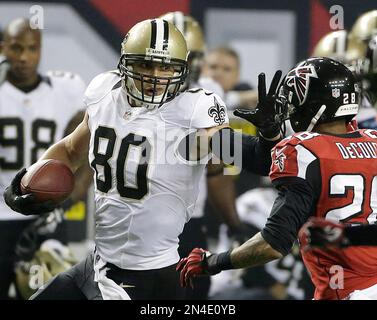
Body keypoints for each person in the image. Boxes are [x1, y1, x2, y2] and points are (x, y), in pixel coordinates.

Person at [3, 18, 282, 300]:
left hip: (146, 274)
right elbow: (71, 149)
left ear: (181, 70)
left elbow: (241, 153)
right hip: (98, 263)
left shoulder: (192, 112)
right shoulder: (106, 93)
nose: (155, 76)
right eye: (145, 65)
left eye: (166, 67)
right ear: (125, 63)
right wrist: (30, 178)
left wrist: (268, 138)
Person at [177, 57, 377, 300]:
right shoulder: (373, 140)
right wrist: (268, 135)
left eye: (294, 100)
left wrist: (214, 262)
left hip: (349, 292)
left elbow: (273, 243)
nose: (290, 108)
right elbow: (263, 158)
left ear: (312, 104)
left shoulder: (304, 151)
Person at [0, 18, 91, 299]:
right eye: (17, 48)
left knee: (45, 291)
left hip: (48, 213)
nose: (25, 57)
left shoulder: (67, 89)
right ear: (4, 48)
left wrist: (64, 203)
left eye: (32, 48)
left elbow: (86, 150)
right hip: (2, 214)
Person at [160, 11, 245, 299]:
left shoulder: (209, 93)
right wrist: (235, 224)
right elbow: (217, 171)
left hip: (145, 221)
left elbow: (218, 165)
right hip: (179, 224)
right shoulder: (208, 96)